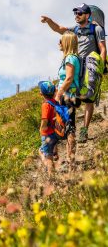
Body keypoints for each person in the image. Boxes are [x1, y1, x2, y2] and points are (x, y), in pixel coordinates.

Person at [41, 3, 107, 143]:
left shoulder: (97, 29)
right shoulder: (75, 29)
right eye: (75, 13)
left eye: (80, 13)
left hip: (91, 67)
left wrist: (100, 67)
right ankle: (70, 128)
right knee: (73, 95)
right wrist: (49, 21)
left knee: (89, 99)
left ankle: (84, 130)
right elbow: (59, 29)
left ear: (87, 15)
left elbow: (102, 48)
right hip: (76, 66)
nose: (77, 15)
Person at [56, 31, 81, 170]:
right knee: (68, 127)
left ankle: (71, 162)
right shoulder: (70, 58)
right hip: (69, 96)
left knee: (70, 128)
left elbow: (69, 78)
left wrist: (59, 94)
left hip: (68, 96)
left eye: (61, 40)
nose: (59, 43)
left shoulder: (70, 58)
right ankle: (69, 159)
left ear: (66, 42)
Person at [38, 80, 58, 177]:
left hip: (47, 134)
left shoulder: (46, 105)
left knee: (45, 155)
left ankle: (51, 176)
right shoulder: (55, 102)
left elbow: (44, 120)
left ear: (41, 93)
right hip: (55, 132)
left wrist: (41, 130)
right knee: (50, 151)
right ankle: (55, 153)